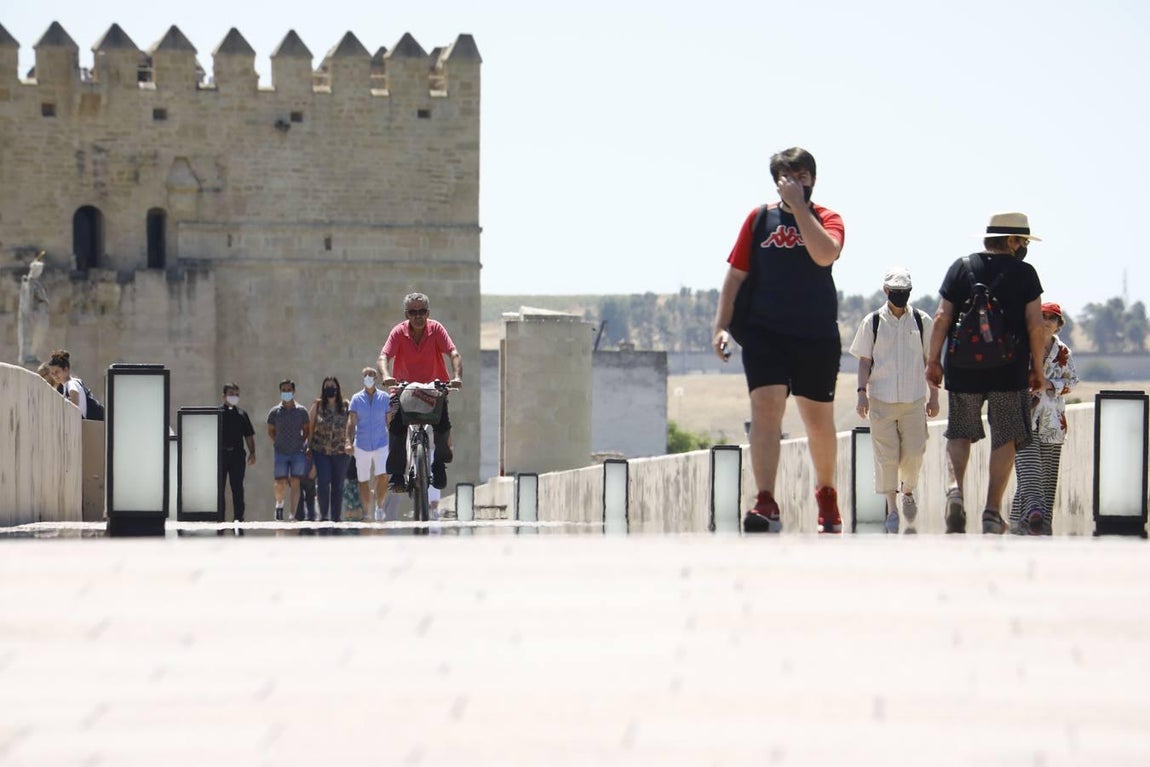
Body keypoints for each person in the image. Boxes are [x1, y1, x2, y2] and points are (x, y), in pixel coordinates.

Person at [710, 147, 845, 533]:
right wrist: (720, 327)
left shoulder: (828, 219)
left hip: (815, 333)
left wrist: (800, 209)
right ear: (775, 181)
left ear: (812, 180)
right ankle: (766, 500)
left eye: (801, 176)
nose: (794, 183)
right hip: (764, 332)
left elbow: (824, 255)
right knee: (766, 408)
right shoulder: (758, 219)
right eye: (786, 177)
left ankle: (826, 494)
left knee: (817, 420)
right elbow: (734, 277)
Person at [925, 212, 1045, 535]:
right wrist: (1038, 367)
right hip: (1009, 369)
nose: (1023, 248)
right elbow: (1036, 324)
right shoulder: (1025, 274)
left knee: (959, 432)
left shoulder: (961, 268)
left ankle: (955, 489)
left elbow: (941, 317)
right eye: (1021, 241)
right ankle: (992, 513)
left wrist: (933, 360)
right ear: (1010, 241)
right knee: (1005, 435)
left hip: (963, 367)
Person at [849, 267, 940, 533]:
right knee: (886, 456)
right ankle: (891, 507)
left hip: (913, 400)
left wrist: (934, 397)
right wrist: (861, 393)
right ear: (886, 291)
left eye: (905, 292)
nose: (900, 296)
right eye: (896, 292)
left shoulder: (922, 322)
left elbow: (930, 362)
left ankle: (908, 490)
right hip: (881, 400)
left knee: (914, 451)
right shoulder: (873, 322)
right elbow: (865, 361)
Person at [380, 292, 463, 492]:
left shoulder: (436, 330)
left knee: (442, 427)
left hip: (434, 390)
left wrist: (457, 376)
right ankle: (397, 475)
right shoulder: (398, 332)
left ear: (428, 313)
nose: (418, 316)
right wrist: (385, 375)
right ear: (407, 314)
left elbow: (453, 353)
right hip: (404, 389)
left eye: (422, 311)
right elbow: (384, 356)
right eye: (413, 312)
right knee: (397, 427)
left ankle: (439, 465)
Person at [1009, 302, 1079, 535]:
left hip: (1053, 423)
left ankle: (1038, 526)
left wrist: (1051, 385)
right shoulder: (1023, 346)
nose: (1047, 320)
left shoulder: (1063, 352)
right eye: (1043, 316)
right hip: (1024, 418)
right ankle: (1023, 521)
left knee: (1047, 477)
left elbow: (1072, 382)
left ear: (1059, 324)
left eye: (1052, 317)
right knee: (1030, 472)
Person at [346, 367, 391, 521]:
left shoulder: (384, 398)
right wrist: (348, 441)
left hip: (381, 443)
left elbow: (389, 421)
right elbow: (351, 423)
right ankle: (367, 511)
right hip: (362, 444)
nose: (368, 377)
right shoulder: (356, 399)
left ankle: (379, 506)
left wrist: (396, 441)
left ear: (376, 378)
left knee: (383, 475)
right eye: (365, 375)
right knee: (363, 480)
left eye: (370, 375)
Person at [308, 376, 351, 522]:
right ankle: (324, 515)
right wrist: (308, 447)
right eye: (327, 387)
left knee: (338, 484)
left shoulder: (346, 405)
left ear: (337, 389)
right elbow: (311, 426)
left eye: (332, 386)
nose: (330, 389)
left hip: (341, 451)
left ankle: (336, 517)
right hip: (321, 451)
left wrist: (350, 443)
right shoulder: (318, 405)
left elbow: (351, 426)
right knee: (323, 482)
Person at [267, 379, 311, 521]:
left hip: (297, 451)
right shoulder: (274, 412)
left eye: (288, 390)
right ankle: (279, 503)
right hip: (281, 451)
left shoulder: (301, 411)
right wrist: (278, 442)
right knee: (280, 483)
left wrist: (300, 443)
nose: (286, 392)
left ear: (293, 391)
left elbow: (306, 430)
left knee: (295, 482)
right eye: (283, 390)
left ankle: (293, 514)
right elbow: (271, 431)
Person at [219, 383, 256, 523]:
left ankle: (238, 517)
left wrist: (252, 452)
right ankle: (220, 517)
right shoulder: (217, 414)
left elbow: (248, 435)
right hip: (221, 456)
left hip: (237, 456)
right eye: (230, 394)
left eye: (236, 394)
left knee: (237, 487)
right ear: (223, 395)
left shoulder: (241, 414)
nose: (233, 397)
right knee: (219, 488)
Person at [46, 349, 87, 418]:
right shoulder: (66, 386)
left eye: (57, 372)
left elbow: (74, 392)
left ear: (66, 369)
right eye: (52, 373)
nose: (55, 376)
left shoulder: (71, 383)